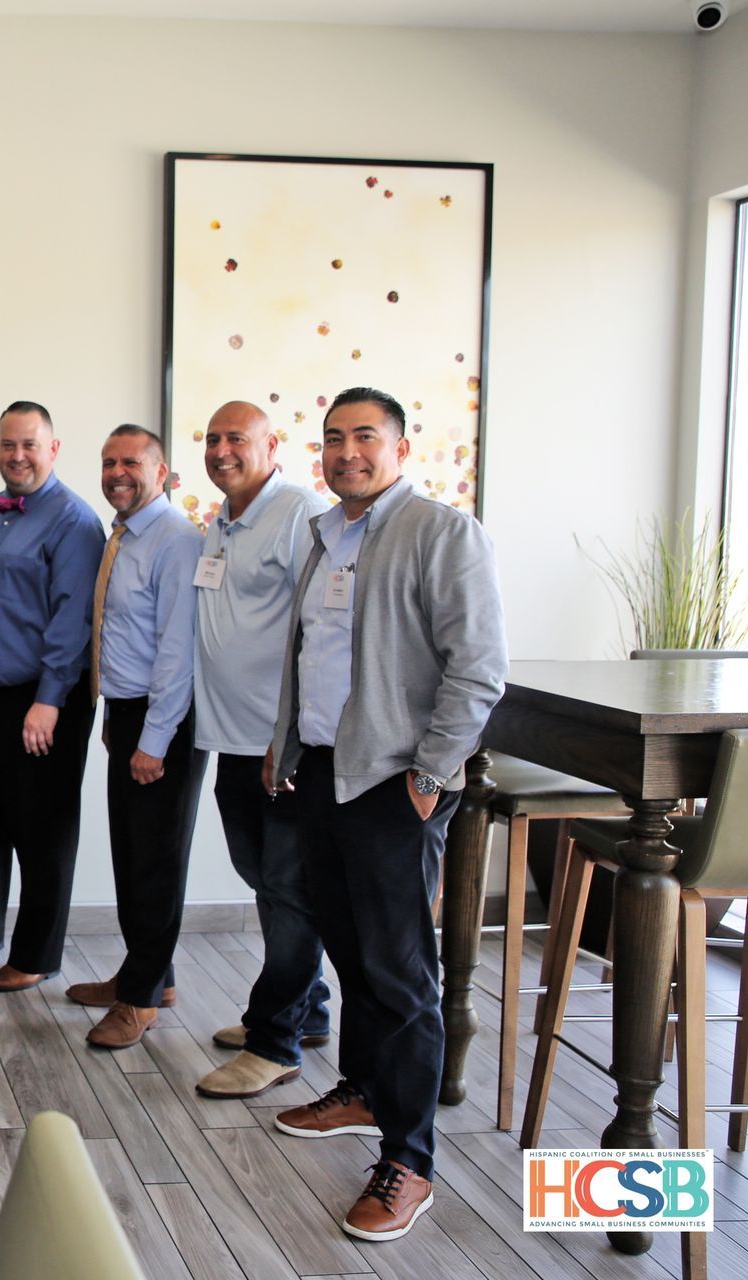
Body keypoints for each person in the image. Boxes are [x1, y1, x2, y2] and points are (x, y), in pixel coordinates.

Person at [264, 387, 506, 1242]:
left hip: (394, 781)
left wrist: (433, 774)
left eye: (365, 436)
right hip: (324, 774)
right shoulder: (325, 536)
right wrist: (285, 747)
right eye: (333, 438)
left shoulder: (443, 534)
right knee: (349, 949)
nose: (346, 452)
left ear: (402, 449)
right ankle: (364, 1091)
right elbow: (309, 655)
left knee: (402, 976)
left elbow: (476, 669)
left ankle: (411, 1161)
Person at [187, 402, 331, 1100]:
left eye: (235, 438)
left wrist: (289, 739)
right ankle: (309, 1012)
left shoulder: (298, 513)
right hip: (231, 741)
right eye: (212, 439)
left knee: (288, 892)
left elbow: (322, 628)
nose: (220, 450)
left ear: (272, 445)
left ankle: (274, 1041)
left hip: (281, 749)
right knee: (266, 882)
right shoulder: (221, 521)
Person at [0, 400, 106, 992]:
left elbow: (73, 619)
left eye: (30, 444)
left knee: (41, 830)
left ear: (53, 449)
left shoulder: (74, 520)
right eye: (8, 445)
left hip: (42, 700)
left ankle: (36, 954)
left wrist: (51, 697)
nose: (18, 456)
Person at [66, 426, 206, 1047]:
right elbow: (122, 636)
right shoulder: (125, 536)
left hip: (164, 717)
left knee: (154, 859)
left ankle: (141, 1000)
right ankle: (151, 974)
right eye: (108, 462)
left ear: (163, 470)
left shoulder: (175, 540)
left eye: (131, 462)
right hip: (129, 712)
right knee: (132, 851)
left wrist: (152, 738)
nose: (117, 472)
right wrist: (111, 717)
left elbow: (178, 650)